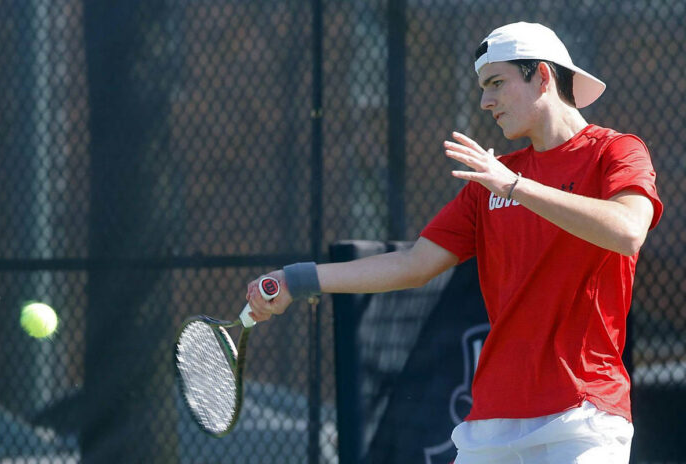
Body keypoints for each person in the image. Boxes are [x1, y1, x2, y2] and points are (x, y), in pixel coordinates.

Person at [246, 22, 662, 463]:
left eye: (496, 84)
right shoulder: (490, 182)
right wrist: (297, 279)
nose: (485, 102)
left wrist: (515, 186)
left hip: (583, 418)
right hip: (488, 424)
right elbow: (412, 264)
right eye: (484, 88)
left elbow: (628, 230)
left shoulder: (616, 152)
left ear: (542, 76)